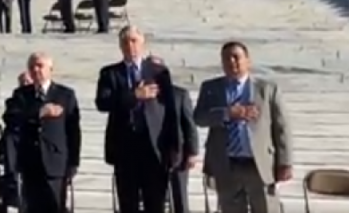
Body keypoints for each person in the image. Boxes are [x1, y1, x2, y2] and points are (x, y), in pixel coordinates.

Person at [193, 41, 292, 213]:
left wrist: (285, 162)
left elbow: (281, 127)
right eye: (226, 58)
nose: (232, 62)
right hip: (227, 165)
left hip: (258, 165)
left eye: (236, 57)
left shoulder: (267, 89)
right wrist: (226, 113)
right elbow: (199, 118)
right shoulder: (211, 88)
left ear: (248, 61)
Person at [94, 26, 179, 213]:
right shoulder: (110, 73)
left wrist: (174, 147)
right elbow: (103, 102)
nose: (130, 46)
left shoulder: (159, 72)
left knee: (155, 202)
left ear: (142, 44)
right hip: (125, 147)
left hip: (154, 147)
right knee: (128, 203)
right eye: (125, 42)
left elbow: (171, 111)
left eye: (134, 41)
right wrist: (134, 96)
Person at [5, 53, 80, 213]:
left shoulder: (65, 95)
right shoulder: (21, 95)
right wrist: (39, 113)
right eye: (32, 67)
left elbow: (73, 132)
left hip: (55, 164)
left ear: (50, 69)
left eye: (40, 66)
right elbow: (12, 118)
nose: (35, 70)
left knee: (55, 206)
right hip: (30, 163)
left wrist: (74, 161)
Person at [148, 56, 198, 213]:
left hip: (177, 153)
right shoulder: (142, 95)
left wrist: (192, 152)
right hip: (150, 155)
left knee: (180, 198)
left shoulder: (179, 94)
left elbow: (189, 124)